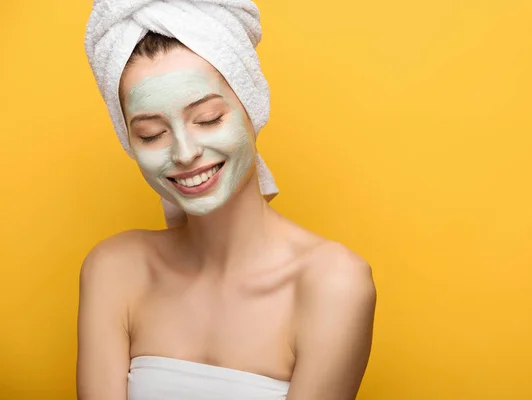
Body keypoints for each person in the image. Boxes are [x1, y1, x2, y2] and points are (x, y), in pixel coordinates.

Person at [77, 1, 376, 399]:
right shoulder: (114, 271)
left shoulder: (333, 284)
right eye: (150, 133)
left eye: (208, 118)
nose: (184, 153)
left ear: (251, 107)